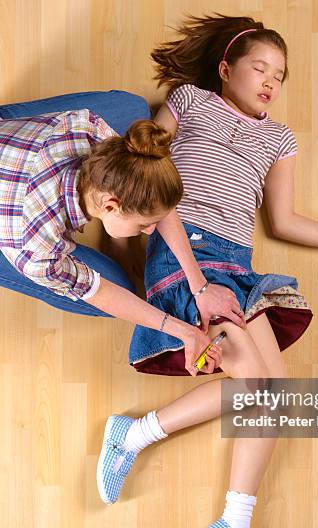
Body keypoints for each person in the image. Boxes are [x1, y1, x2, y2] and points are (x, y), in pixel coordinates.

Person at [96, 14, 318, 528]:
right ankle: (161, 459)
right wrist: (180, 275)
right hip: (186, 251)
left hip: (238, 266)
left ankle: (213, 504)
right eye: (260, 68)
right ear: (225, 69)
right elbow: (150, 176)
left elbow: (283, 221)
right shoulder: (190, 101)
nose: (270, 82)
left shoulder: (279, 139)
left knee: (273, 393)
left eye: (280, 76)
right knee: (257, 387)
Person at [0, 111, 246, 374]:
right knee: (119, 288)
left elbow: (151, 191)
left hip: (15, 145)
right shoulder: (36, 251)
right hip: (15, 228)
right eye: (143, 225)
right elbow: (100, 292)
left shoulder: (85, 127)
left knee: (131, 106)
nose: (151, 231)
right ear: (110, 205)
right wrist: (185, 332)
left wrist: (200, 287)